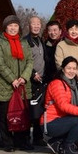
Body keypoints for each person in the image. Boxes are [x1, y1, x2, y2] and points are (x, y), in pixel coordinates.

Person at [0, 15, 33, 152]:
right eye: (10, 25)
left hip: (22, 84)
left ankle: (22, 141)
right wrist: (12, 79)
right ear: (5, 27)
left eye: (15, 25)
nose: (13, 28)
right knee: (6, 115)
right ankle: (8, 142)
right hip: (6, 84)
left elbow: (30, 61)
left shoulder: (23, 42)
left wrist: (24, 77)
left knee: (23, 113)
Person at [41, 56, 78, 154]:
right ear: (63, 69)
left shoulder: (72, 84)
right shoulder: (57, 83)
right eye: (69, 68)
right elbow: (63, 106)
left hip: (63, 120)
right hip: (51, 122)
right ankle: (66, 147)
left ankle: (56, 142)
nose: (71, 71)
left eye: (74, 68)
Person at [24, 16, 47, 146]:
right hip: (30, 81)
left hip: (41, 81)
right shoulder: (25, 41)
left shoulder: (41, 40)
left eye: (38, 24)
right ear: (29, 26)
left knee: (39, 109)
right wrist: (32, 74)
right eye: (34, 24)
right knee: (29, 110)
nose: (36, 26)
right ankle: (26, 138)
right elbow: (24, 61)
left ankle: (38, 137)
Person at [55, 19, 78, 91]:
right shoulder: (61, 45)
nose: (74, 32)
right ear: (67, 31)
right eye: (71, 29)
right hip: (66, 82)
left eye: (76, 29)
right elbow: (59, 64)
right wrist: (74, 72)